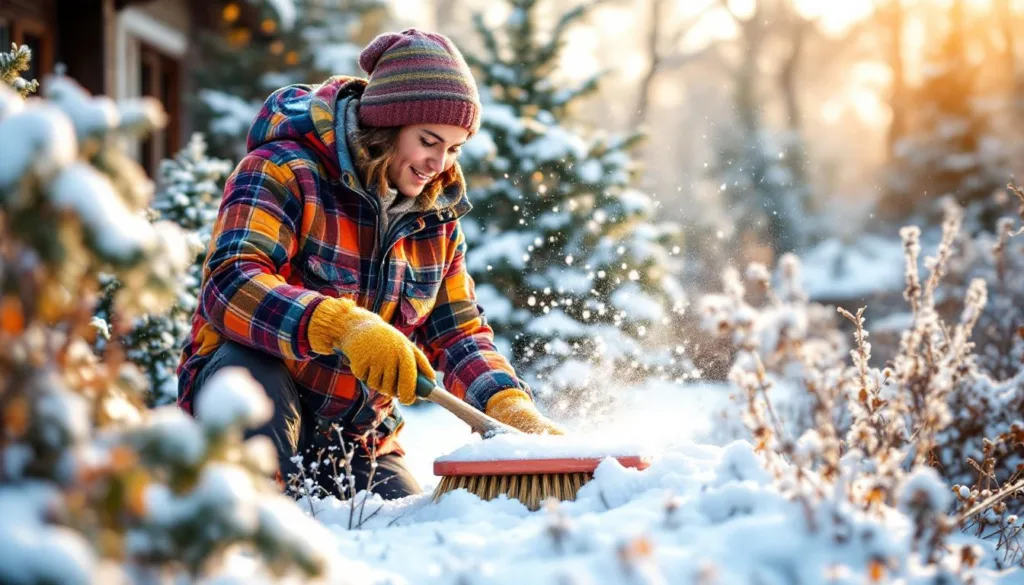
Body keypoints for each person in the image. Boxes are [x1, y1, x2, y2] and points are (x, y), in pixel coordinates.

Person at [176, 29, 563, 500]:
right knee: (252, 377)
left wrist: (509, 406)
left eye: (454, 148)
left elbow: (458, 333)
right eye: (429, 140)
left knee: (404, 531)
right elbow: (231, 282)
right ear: (386, 123)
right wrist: (343, 327)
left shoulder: (434, 219)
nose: (439, 164)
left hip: (357, 437)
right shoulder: (283, 171)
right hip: (255, 400)